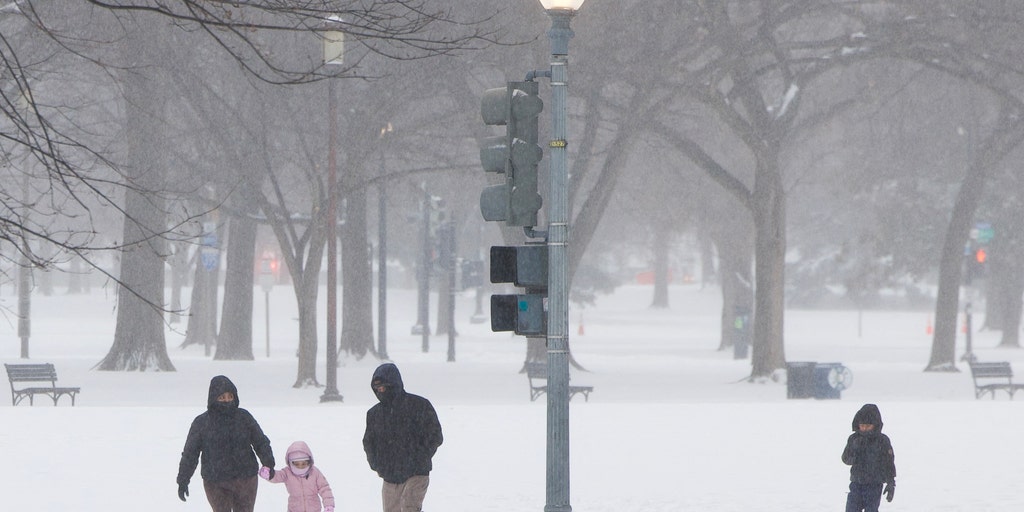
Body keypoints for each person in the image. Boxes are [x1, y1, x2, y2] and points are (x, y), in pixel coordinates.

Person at [177, 375, 275, 512]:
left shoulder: (244, 417)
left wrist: (269, 462)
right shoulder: (201, 423)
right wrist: (183, 479)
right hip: (215, 481)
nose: (227, 400)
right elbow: (190, 454)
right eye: (222, 397)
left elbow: (260, 441)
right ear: (213, 399)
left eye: (230, 397)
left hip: (246, 479)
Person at [362, 363, 443, 512]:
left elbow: (435, 435)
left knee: (409, 507)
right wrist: (378, 465)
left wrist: (420, 456)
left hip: (417, 472)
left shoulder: (419, 406)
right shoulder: (374, 414)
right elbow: (369, 442)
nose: (381, 391)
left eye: (384, 387)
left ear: (393, 385)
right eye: (377, 389)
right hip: (390, 476)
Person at [842, 403, 896, 512]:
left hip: (874, 486)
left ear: (875, 425)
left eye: (868, 426)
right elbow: (845, 459)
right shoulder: (853, 439)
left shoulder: (882, 441)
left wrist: (891, 482)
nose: (864, 429)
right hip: (856, 484)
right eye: (862, 426)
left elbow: (888, 463)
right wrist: (854, 452)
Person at [259, 440, 336, 512]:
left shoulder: (315, 472)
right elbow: (278, 476)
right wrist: (269, 475)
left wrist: (328, 504)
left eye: (304, 463)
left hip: (314, 509)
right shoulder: (287, 472)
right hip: (294, 509)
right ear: (290, 463)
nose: (300, 466)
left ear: (309, 461)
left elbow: (324, 488)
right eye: (297, 464)